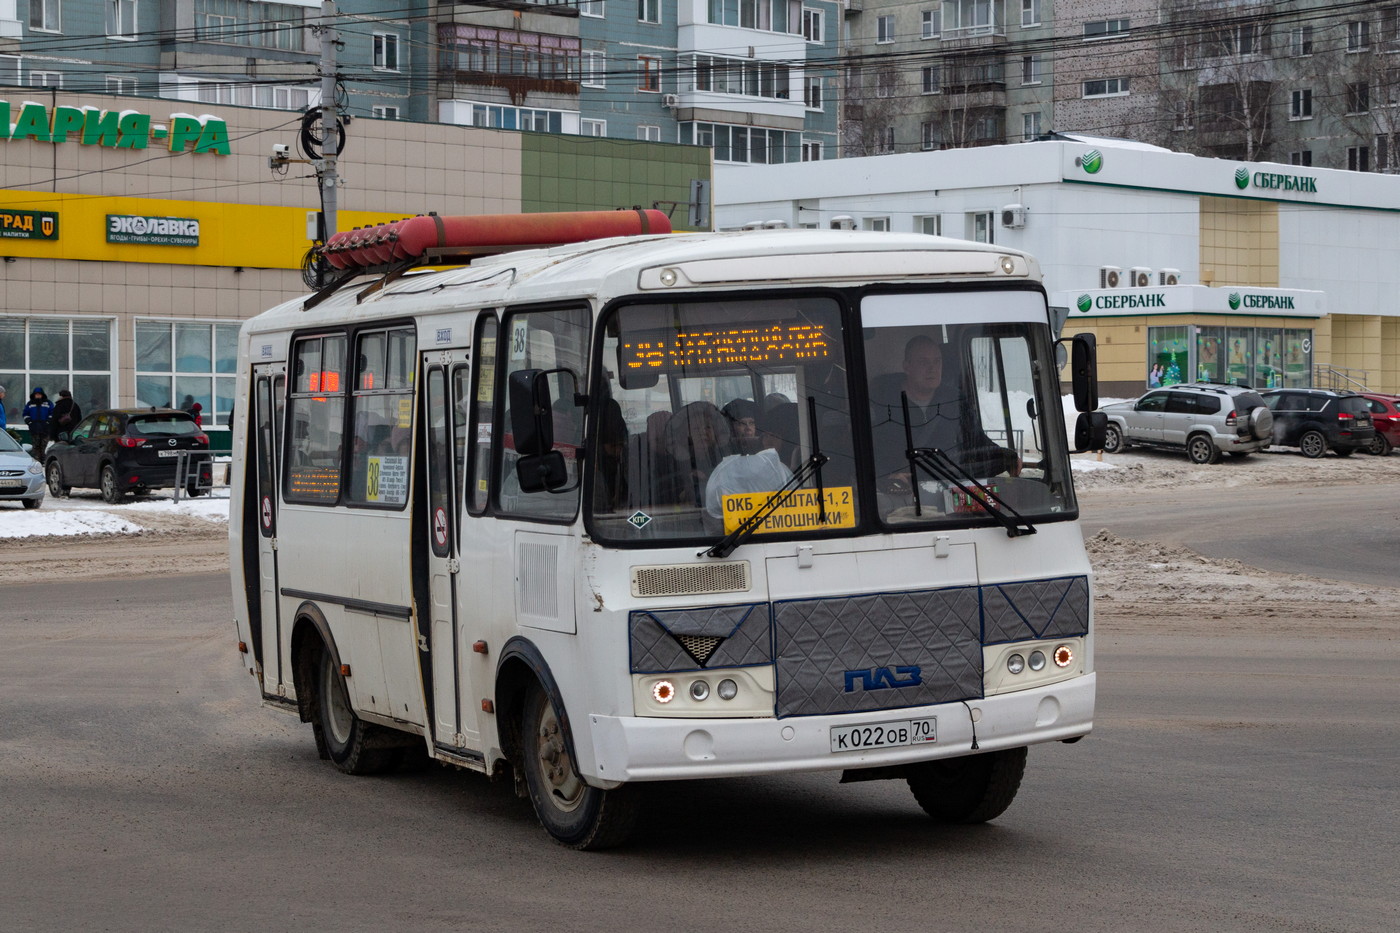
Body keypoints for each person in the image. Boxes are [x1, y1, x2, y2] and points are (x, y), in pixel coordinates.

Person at [870, 335, 1016, 488]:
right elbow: (868, 453)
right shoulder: (882, 406)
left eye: (937, 361)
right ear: (907, 367)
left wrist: (1004, 456)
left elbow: (976, 439)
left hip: (948, 489)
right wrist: (886, 476)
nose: (932, 368)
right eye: (923, 362)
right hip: (903, 493)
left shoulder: (954, 401)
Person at [704, 407, 794, 526]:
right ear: (732, 428)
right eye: (742, 424)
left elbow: (793, 500)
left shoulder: (778, 460)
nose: (748, 428)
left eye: (751, 423)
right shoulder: (722, 459)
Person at [22, 386, 55, 460]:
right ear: (34, 395)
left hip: (45, 428)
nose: (38, 396)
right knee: (35, 446)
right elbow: (25, 414)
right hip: (34, 428)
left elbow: (52, 413)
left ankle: (43, 459)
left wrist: (48, 421)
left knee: (43, 445)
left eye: (39, 394)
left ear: (42, 395)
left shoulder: (48, 403)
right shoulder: (30, 404)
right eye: (36, 394)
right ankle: (36, 460)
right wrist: (29, 422)